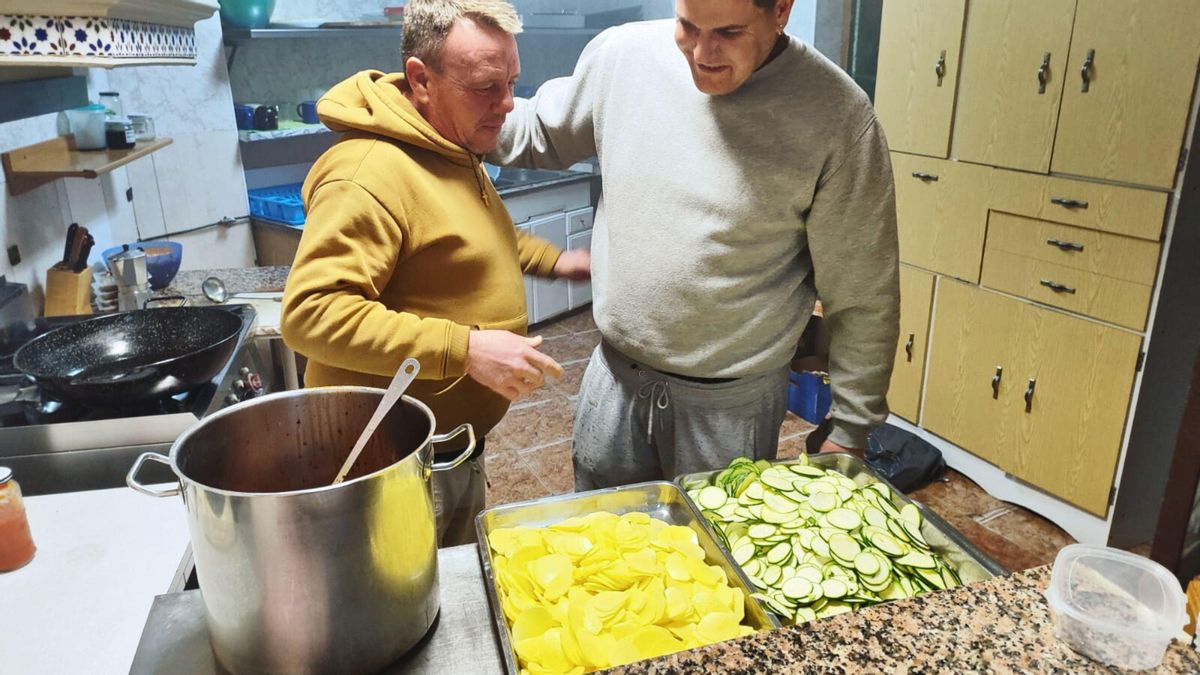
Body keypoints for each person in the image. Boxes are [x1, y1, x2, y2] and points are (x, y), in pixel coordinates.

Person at [489, 0, 899, 490]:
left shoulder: (837, 115)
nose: (702, 52)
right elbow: (535, 131)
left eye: (728, 32)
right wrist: (437, 106)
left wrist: (851, 429)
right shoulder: (623, 55)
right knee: (601, 533)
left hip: (731, 407)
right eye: (688, 25)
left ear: (781, 10)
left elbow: (863, 294)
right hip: (615, 381)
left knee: (713, 536)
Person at [280, 0, 591, 546]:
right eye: (486, 86)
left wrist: (556, 261)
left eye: (512, 83)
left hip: (448, 444)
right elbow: (312, 315)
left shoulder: (449, 145)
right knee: (412, 588)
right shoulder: (367, 175)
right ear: (422, 80)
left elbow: (475, 234)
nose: (507, 104)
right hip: (393, 462)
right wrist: (466, 349)